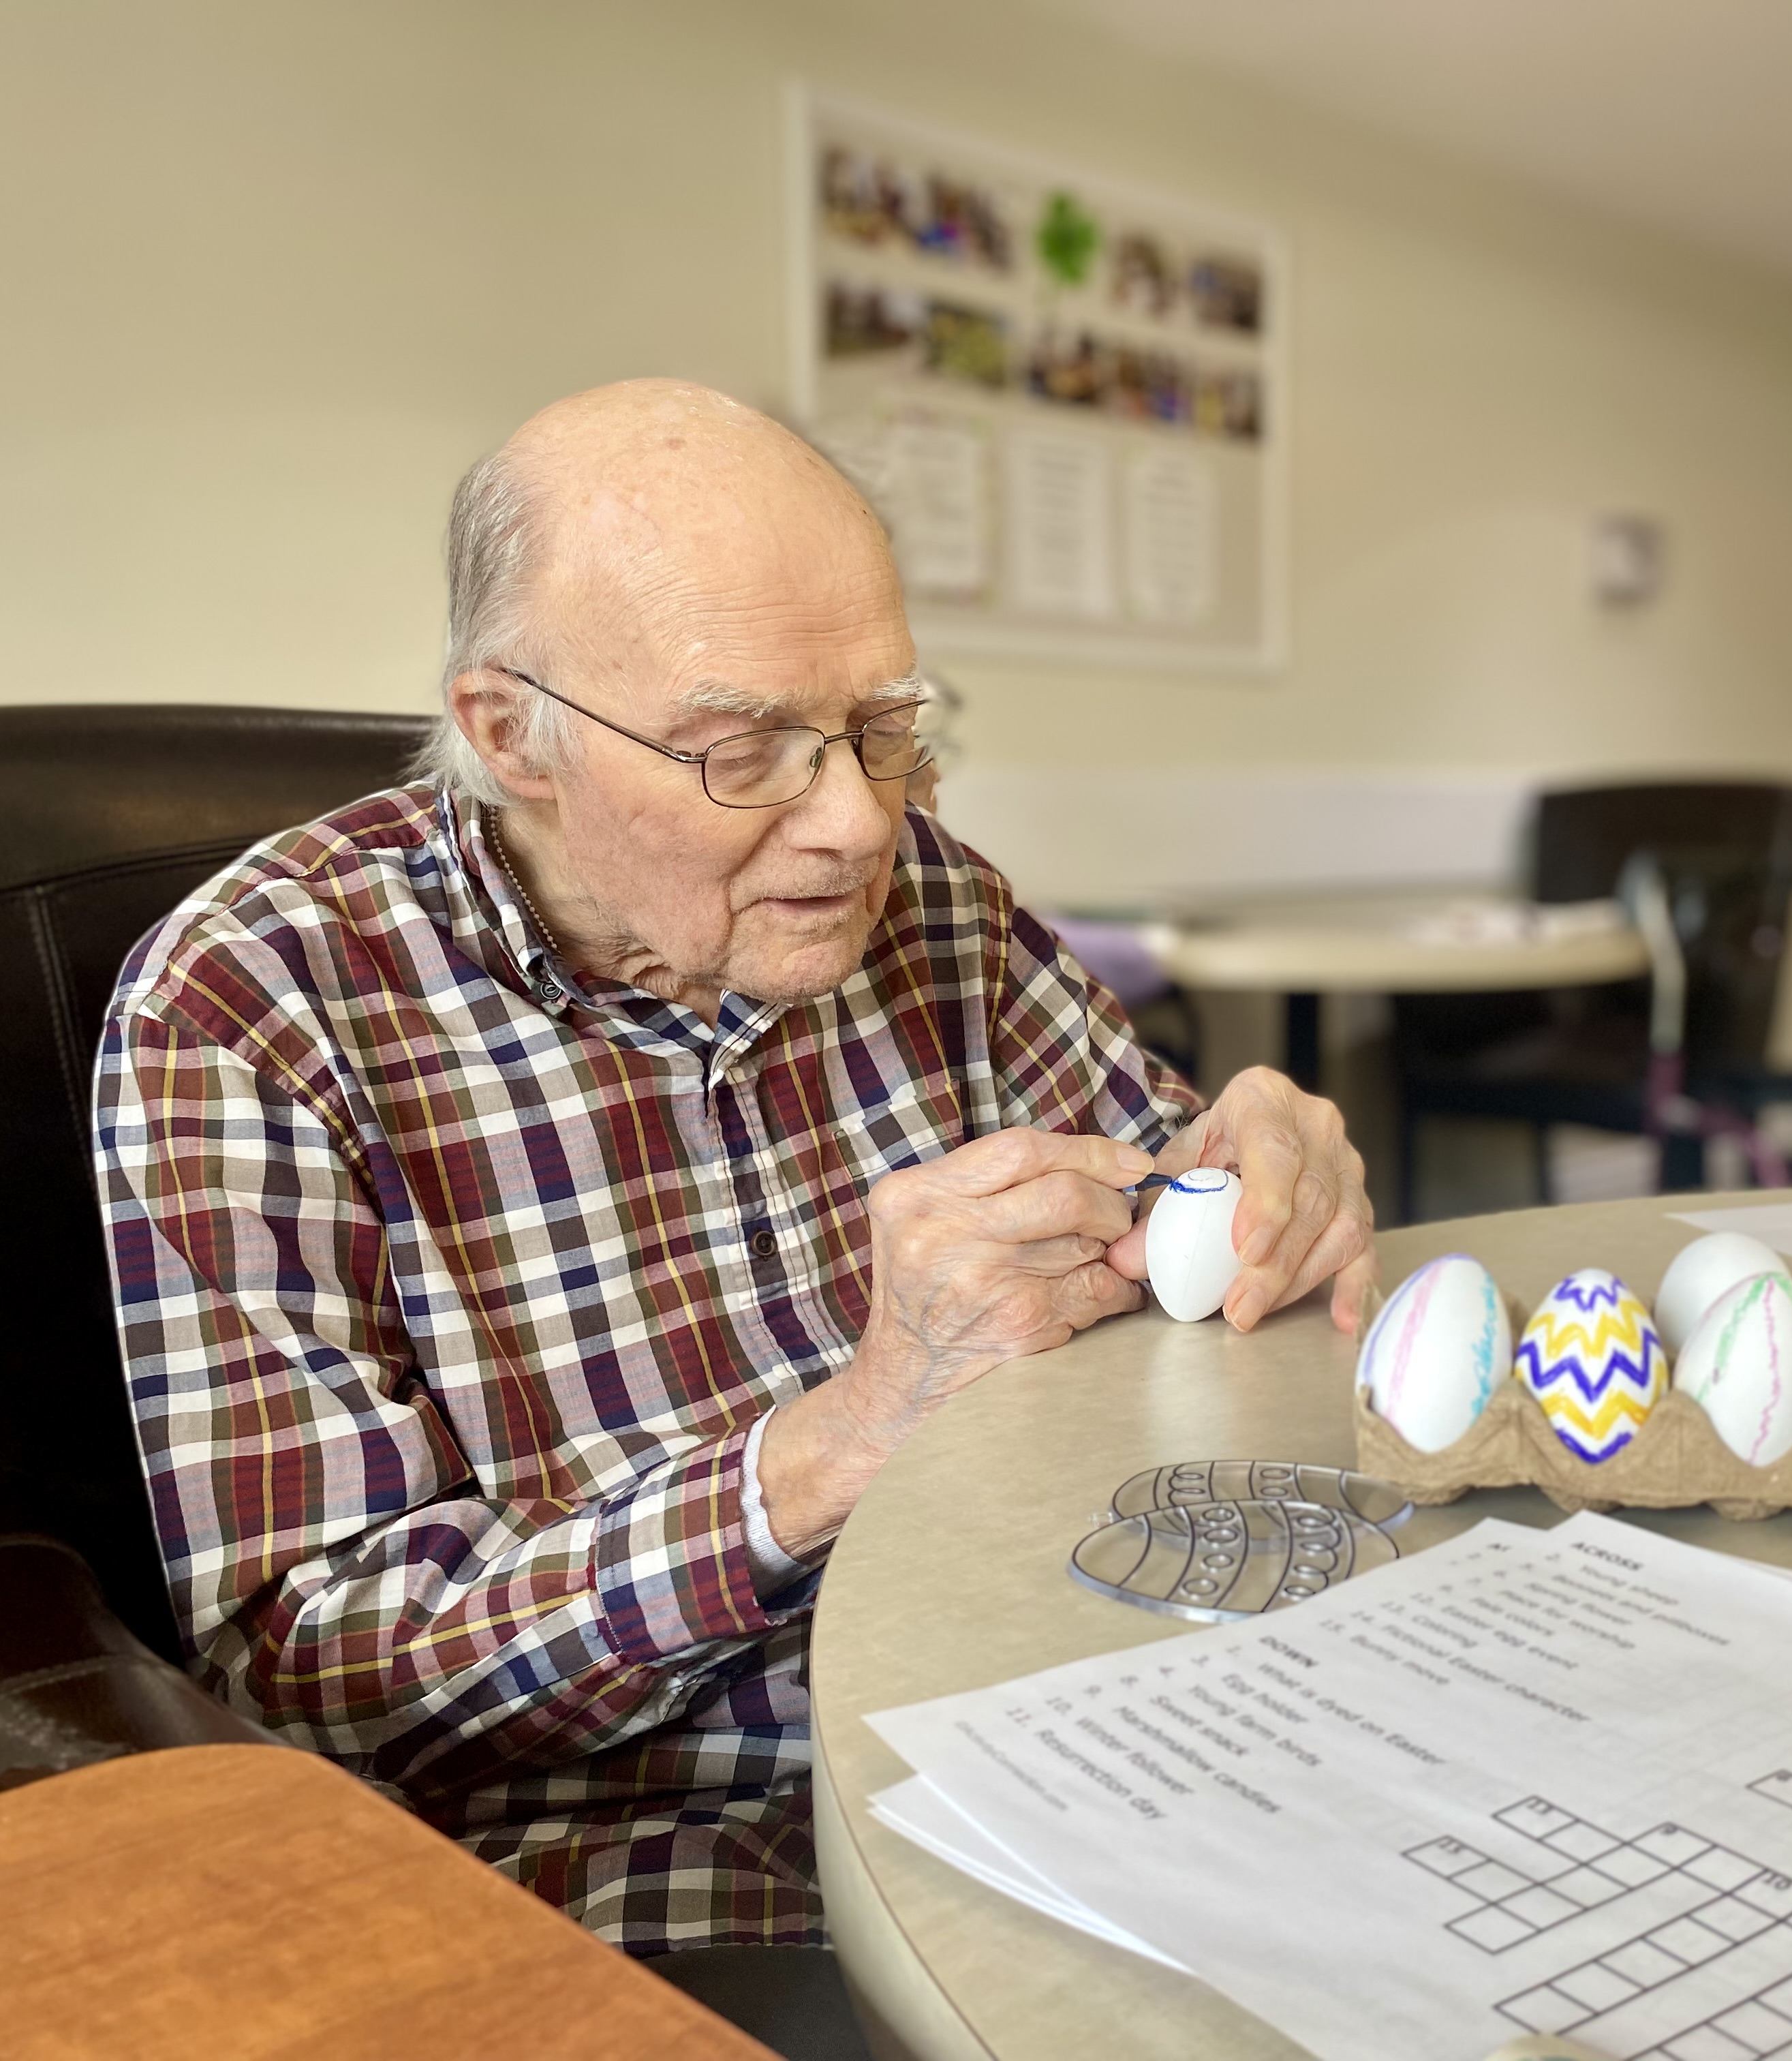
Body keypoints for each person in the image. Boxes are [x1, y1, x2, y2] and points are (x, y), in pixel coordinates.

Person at [94, 380, 1376, 1962]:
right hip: (652, 1833)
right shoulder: (256, 1004)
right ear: (513, 734)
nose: (856, 824)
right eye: (742, 749)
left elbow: (1163, 1215)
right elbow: (306, 1674)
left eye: (882, 727)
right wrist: (836, 1443)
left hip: (1071, 1688)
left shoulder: (934, 912)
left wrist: (1249, 1170)